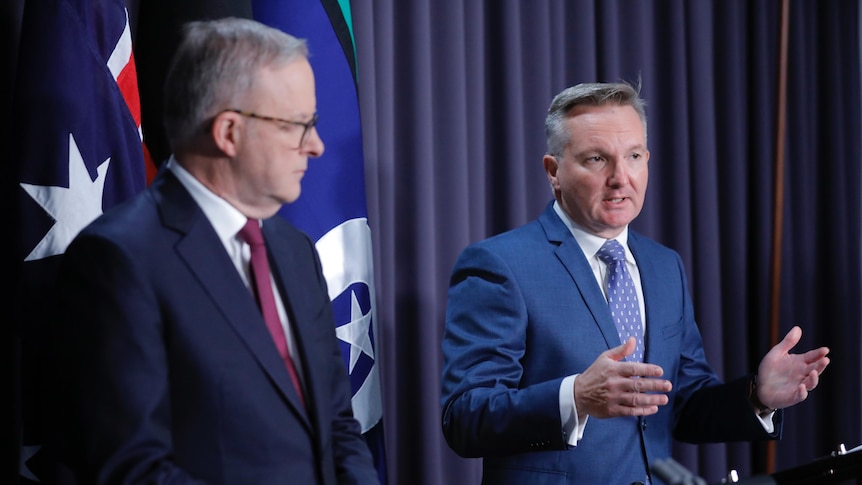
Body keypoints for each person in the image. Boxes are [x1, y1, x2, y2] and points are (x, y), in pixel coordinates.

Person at [439, 81, 831, 485]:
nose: (620, 178)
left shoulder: (664, 266)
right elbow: (465, 416)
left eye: (634, 156)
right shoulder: (500, 264)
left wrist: (756, 396)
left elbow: (680, 403)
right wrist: (576, 396)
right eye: (596, 159)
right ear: (553, 171)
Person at [54, 17, 379, 484]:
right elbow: (134, 467)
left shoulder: (294, 251)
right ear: (228, 132)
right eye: (298, 125)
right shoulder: (119, 259)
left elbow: (337, 426)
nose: (316, 146)